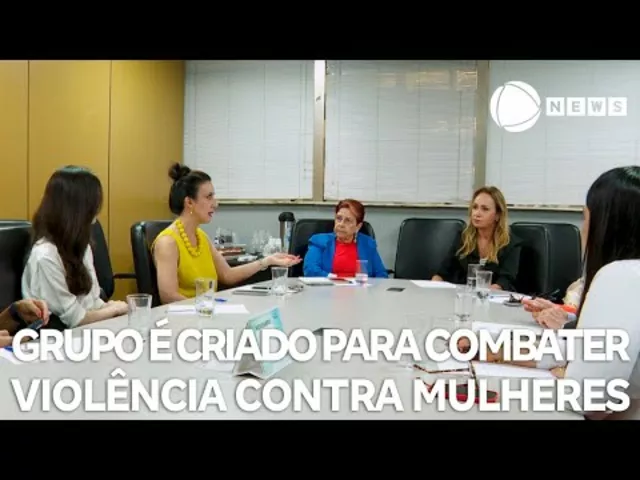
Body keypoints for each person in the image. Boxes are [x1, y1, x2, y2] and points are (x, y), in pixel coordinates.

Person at [462, 166, 640, 420]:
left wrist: (566, 375)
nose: (583, 229)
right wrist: (497, 351)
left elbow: (586, 399)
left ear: (607, 226)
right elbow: (576, 348)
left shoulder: (621, 277)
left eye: (585, 218)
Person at [153, 163, 301, 304]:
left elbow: (227, 275)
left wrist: (267, 261)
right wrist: (206, 306)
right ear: (189, 202)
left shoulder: (201, 236)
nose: (215, 204)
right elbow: (169, 296)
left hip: (206, 311)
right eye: (209, 197)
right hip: (187, 316)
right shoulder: (167, 243)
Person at [22, 166, 129, 328]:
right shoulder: (45, 256)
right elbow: (75, 319)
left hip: (88, 330)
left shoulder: (81, 245)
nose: (95, 216)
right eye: (92, 207)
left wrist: (109, 307)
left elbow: (92, 302)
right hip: (57, 335)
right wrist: (113, 310)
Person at [431, 186, 522, 291]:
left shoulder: (510, 243)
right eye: (475, 207)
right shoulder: (463, 238)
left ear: (497, 215)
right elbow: (443, 272)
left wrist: (485, 292)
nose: (477, 214)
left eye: (485, 209)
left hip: (494, 297)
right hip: (463, 295)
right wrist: (434, 285)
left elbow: (506, 280)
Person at [303, 199, 388, 278]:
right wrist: (336, 280)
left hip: (360, 289)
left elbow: (381, 274)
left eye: (348, 220)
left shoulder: (368, 244)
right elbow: (310, 270)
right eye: (339, 218)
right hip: (328, 288)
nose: (341, 224)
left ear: (358, 226)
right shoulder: (319, 241)